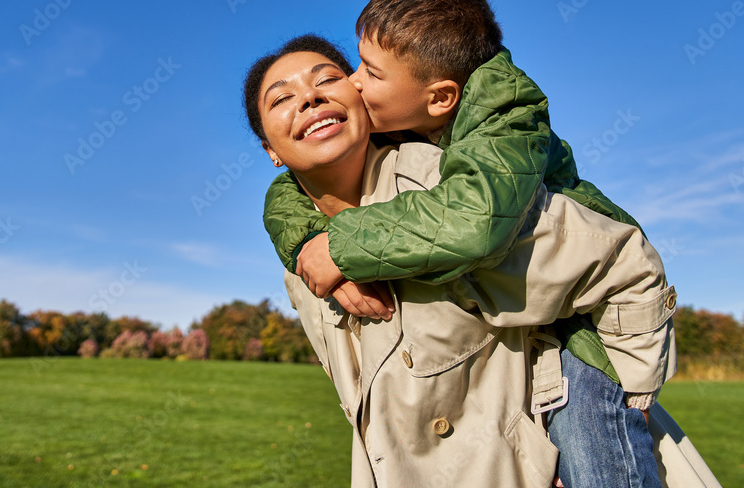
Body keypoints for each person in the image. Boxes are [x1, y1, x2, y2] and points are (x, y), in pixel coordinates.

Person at [244, 38, 718, 487]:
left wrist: (599, 423)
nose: (308, 98)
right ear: (270, 151)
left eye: (326, 79)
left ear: (362, 97)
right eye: (281, 98)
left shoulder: (447, 190)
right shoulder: (301, 268)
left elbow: (616, 257)